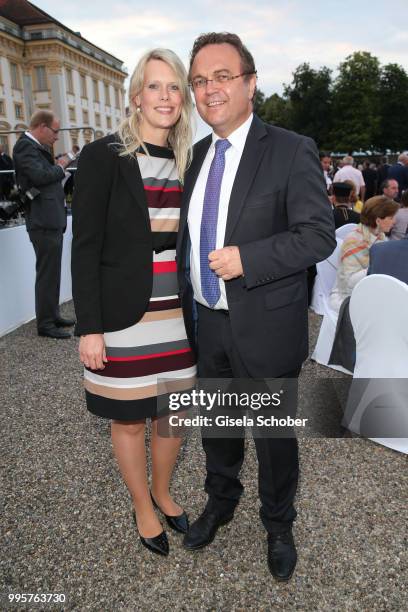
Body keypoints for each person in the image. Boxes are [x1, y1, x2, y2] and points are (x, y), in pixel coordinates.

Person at [177, 32, 336, 581]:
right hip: (207, 322)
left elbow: (319, 235)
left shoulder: (291, 149)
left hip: (266, 325)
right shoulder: (196, 156)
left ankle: (278, 523)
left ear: (249, 83)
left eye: (222, 76)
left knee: (273, 438)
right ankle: (220, 502)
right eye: (200, 80)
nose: (209, 89)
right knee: (216, 427)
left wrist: (251, 257)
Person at [71, 49, 195, 557]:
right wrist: (89, 327)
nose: (164, 97)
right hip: (125, 313)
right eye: (154, 86)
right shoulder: (104, 155)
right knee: (128, 418)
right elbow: (86, 246)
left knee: (174, 415)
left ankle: (164, 493)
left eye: (172, 88)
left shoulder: (194, 156)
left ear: (182, 97)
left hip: (181, 314)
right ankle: (142, 505)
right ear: (136, 96)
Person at [13, 110, 75, 338]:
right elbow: (39, 176)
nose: (57, 136)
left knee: (52, 271)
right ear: (41, 126)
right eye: (55, 131)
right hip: (42, 219)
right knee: (47, 272)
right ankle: (46, 324)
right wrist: (60, 167)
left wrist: (56, 168)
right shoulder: (24, 147)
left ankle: (52, 315)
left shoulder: (36, 148)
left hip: (49, 217)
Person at [329, 196, 399, 313]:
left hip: (371, 291)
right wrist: (377, 265)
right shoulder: (353, 241)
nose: (394, 221)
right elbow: (347, 283)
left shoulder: (381, 237)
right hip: (347, 298)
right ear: (378, 221)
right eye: (391, 217)